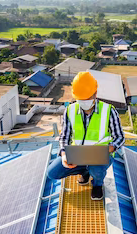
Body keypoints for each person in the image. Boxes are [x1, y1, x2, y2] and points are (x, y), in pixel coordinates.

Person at [46, 71, 125, 200]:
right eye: (80, 99)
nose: (84, 101)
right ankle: (84, 171)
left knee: (97, 170)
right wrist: (64, 154)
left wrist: (109, 149)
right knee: (52, 172)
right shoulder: (70, 110)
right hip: (77, 154)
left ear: (95, 94)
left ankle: (97, 184)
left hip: (100, 155)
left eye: (87, 98)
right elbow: (64, 136)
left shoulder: (109, 111)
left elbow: (120, 137)